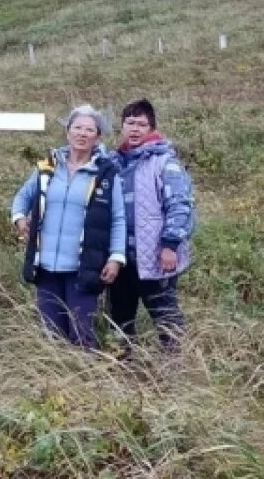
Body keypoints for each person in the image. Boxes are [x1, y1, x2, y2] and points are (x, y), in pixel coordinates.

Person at [11, 105, 126, 349]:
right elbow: (22, 196)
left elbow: (118, 218)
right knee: (52, 337)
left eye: (89, 130)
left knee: (83, 335)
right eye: (77, 128)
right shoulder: (48, 168)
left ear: (98, 137)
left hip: (83, 268)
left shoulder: (106, 174)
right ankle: (54, 385)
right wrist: (20, 218)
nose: (82, 134)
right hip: (46, 267)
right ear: (67, 132)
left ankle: (86, 384)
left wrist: (116, 258)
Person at [107, 98, 196, 352]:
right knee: (119, 318)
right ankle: (121, 366)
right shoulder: (113, 163)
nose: (134, 129)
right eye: (130, 123)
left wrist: (170, 245)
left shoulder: (164, 162)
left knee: (166, 316)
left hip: (155, 257)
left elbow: (180, 205)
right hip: (120, 259)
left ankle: (175, 368)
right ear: (122, 127)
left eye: (141, 124)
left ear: (151, 128)